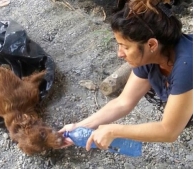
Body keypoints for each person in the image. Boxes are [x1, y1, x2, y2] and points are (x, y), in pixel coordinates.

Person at [59, 0, 193, 151]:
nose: (119, 53)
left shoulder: (187, 66)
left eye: (125, 47)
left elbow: (169, 131)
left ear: (151, 45)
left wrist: (113, 131)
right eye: (119, 45)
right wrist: (79, 126)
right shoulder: (152, 58)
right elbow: (123, 102)